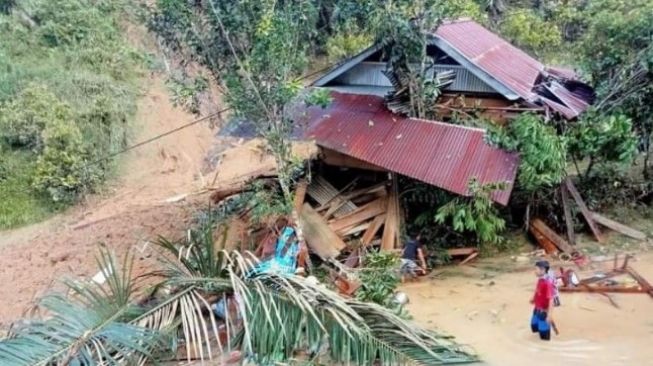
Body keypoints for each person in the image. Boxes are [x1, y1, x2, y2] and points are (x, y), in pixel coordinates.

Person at [530, 260, 555, 340]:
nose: (534, 271)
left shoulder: (548, 283)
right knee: (534, 326)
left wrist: (549, 315)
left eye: (536, 269)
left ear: (543, 270)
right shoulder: (540, 279)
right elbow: (538, 290)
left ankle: (544, 349)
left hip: (544, 311)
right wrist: (533, 298)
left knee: (543, 334)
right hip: (537, 308)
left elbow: (551, 300)